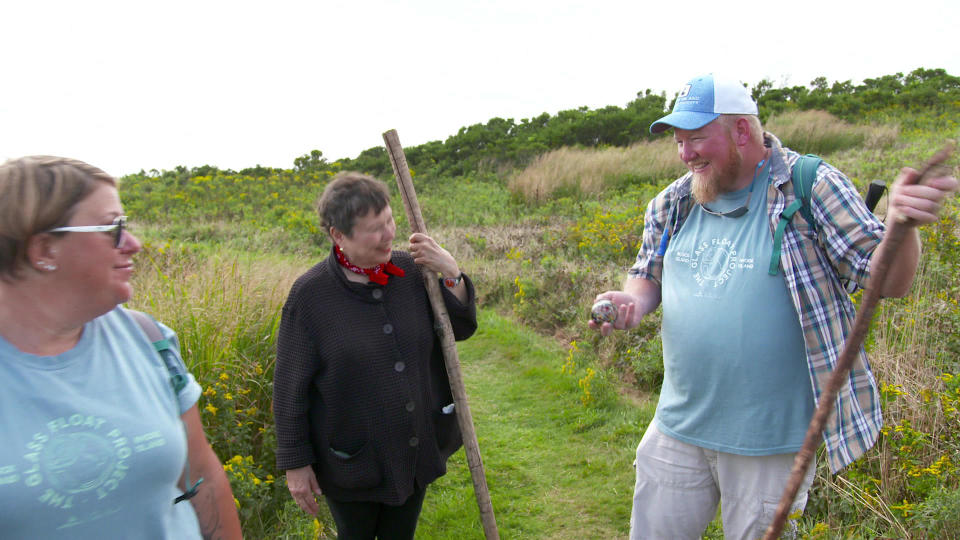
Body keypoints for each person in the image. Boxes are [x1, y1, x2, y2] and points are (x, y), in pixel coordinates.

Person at [589, 74, 959, 539]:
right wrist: (631, 302)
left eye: (697, 139)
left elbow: (889, 280)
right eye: (680, 143)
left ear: (742, 131)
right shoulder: (674, 202)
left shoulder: (810, 186)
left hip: (766, 446)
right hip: (677, 427)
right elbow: (647, 274)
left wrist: (901, 228)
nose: (685, 155)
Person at [0, 156, 242, 538]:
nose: (133, 244)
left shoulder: (149, 339)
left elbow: (202, 476)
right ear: (44, 249)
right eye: (114, 227)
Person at [273, 171, 477, 540]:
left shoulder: (414, 273)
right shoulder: (310, 297)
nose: (389, 234)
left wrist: (450, 272)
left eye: (389, 220)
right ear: (339, 235)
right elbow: (289, 388)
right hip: (351, 461)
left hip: (413, 449)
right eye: (374, 228)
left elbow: (460, 329)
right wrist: (295, 462)